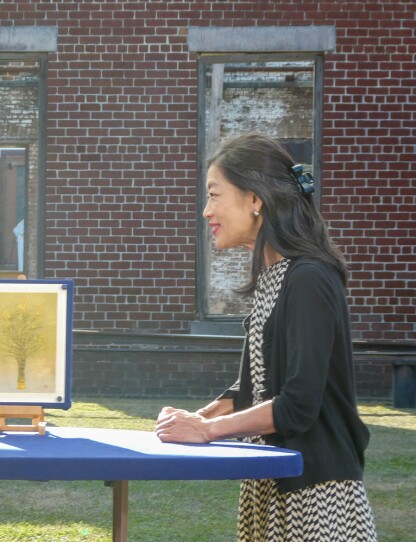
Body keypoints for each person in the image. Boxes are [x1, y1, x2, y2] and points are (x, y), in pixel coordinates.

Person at [155, 133, 377, 541]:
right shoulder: (275, 278)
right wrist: (192, 420)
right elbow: (253, 390)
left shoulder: (309, 278)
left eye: (214, 195)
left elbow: (299, 404)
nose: (206, 211)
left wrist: (205, 431)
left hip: (316, 491)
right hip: (270, 482)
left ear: (255, 199)